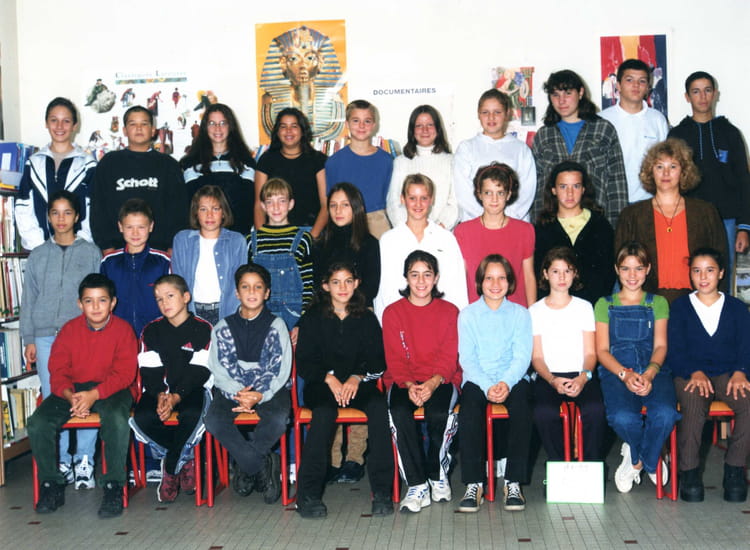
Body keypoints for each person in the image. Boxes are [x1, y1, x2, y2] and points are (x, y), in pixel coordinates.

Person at [27, 273, 137, 518]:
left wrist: (94, 395)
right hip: (74, 390)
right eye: (89, 301)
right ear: (80, 304)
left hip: (112, 389)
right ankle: (51, 484)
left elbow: (124, 374)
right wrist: (71, 397)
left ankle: (113, 486)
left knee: (117, 420)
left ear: (113, 303)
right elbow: (57, 371)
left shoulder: (123, 330)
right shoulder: (68, 330)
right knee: (38, 422)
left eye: (102, 300)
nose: (96, 307)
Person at [295, 261, 394, 518]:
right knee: (324, 413)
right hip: (322, 385)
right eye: (336, 282)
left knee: (378, 406)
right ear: (325, 286)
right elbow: (304, 362)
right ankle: (308, 495)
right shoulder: (312, 318)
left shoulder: (367, 318)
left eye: (348, 281)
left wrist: (357, 377)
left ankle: (382, 491)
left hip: (357, 384)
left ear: (356, 283)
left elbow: (378, 360)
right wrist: (329, 379)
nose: (343, 287)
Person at [20, 190, 101, 489]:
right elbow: (29, 299)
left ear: (77, 216)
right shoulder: (39, 254)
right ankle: (63, 459)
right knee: (57, 397)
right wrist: (29, 338)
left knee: (86, 393)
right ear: (48, 217)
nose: (61, 219)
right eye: (55, 213)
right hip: (45, 338)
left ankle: (84, 460)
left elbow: (99, 296)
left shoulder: (91, 252)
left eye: (67, 212)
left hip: (82, 336)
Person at [204, 263, 292, 505]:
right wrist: (239, 393)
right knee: (213, 420)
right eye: (245, 287)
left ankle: (245, 466)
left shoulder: (277, 325)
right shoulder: (222, 327)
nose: (252, 292)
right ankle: (259, 464)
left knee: (278, 420)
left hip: (270, 390)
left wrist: (259, 395)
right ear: (237, 292)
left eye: (258, 287)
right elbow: (218, 369)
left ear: (267, 293)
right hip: (232, 391)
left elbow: (280, 368)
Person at [668, 247, 750, 503]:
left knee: (748, 404)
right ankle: (689, 472)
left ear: (721, 273)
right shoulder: (680, 307)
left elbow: (745, 345)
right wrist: (693, 371)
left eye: (710, 270)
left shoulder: (737, 308)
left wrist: (741, 372)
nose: (703, 277)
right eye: (697, 271)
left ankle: (734, 469)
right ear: (690, 274)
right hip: (690, 373)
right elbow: (675, 349)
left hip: (728, 373)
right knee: (693, 407)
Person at [595, 242, 678, 493]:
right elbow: (602, 351)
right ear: (616, 270)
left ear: (648, 269)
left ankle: (640, 459)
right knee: (622, 417)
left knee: (665, 413)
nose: (632, 275)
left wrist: (650, 373)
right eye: (625, 268)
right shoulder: (604, 304)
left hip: (654, 369)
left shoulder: (659, 303)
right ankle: (648, 454)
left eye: (639, 268)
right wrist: (625, 375)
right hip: (616, 371)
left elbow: (661, 345)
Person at [383, 250, 460, 513]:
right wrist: (408, 385)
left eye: (427, 274)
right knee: (399, 411)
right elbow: (394, 358)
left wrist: (432, 384)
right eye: (414, 275)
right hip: (404, 381)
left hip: (441, 378)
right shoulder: (393, 312)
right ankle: (416, 485)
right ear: (406, 277)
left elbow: (449, 356)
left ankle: (437, 474)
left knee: (439, 412)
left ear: (436, 278)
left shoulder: (450, 311)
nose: (421, 281)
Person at [457, 255, 533, 513]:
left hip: (512, 378)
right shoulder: (467, 315)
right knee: (469, 410)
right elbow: (467, 359)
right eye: (489, 278)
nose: (495, 284)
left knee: (523, 407)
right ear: (480, 282)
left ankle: (513, 482)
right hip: (478, 379)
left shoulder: (520, 314)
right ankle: (474, 483)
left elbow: (522, 357)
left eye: (502, 278)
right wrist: (487, 385)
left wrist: (505, 383)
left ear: (510, 282)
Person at [130, 274, 212, 503]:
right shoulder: (151, 330)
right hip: (159, 392)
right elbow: (149, 368)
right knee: (142, 417)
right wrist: (160, 395)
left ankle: (171, 465)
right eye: (159, 299)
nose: (164, 303)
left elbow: (200, 370)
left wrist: (176, 396)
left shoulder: (203, 329)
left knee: (193, 413)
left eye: (170, 296)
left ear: (186, 297)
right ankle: (185, 458)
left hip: (191, 390)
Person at [615, 138, 728, 303]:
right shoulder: (632, 215)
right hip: (649, 301)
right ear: (650, 171)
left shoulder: (705, 212)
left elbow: (720, 260)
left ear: (684, 172)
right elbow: (621, 264)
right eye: (659, 167)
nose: (666, 173)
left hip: (696, 300)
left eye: (673, 166)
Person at [668, 71, 750, 274]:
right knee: (689, 273)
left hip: (726, 219)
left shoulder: (730, 132)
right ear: (687, 97)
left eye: (707, 90)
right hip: (689, 218)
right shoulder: (677, 134)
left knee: (722, 273)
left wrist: (744, 227)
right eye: (696, 91)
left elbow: (744, 180)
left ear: (715, 94)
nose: (702, 97)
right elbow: (669, 182)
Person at [530, 247, 606, 463]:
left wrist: (583, 377)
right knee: (543, 412)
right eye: (555, 271)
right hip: (549, 376)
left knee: (595, 410)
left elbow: (590, 353)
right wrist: (552, 380)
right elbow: (537, 357)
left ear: (575, 274)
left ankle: (590, 466)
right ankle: (560, 465)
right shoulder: (535, 311)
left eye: (567, 271)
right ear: (545, 274)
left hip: (581, 374)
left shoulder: (584, 307)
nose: (562, 277)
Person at [531, 70, 628, 227]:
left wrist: (616, 227)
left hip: (595, 222)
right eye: (555, 95)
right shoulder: (544, 135)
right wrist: (538, 226)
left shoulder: (603, 130)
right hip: (553, 224)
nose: (561, 101)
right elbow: (537, 188)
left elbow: (617, 183)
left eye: (568, 93)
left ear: (581, 92)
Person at [91, 105, 186, 253]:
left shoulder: (168, 165)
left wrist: (172, 248)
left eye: (144, 124)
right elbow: (98, 208)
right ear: (124, 130)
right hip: (117, 250)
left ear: (153, 130)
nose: (139, 128)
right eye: (133, 124)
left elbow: (179, 210)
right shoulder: (109, 163)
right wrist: (106, 247)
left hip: (159, 250)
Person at [374, 174, 467, 321]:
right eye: (412, 198)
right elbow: (383, 290)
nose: (418, 204)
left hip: (439, 320)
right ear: (402, 199)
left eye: (424, 198)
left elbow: (457, 287)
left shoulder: (446, 239)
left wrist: (456, 322)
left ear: (432, 200)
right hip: (400, 321)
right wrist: (385, 323)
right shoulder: (388, 241)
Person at [16, 97, 96, 250]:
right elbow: (23, 207)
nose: (59, 126)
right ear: (46, 123)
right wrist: (39, 246)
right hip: (41, 249)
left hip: (78, 250)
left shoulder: (88, 164)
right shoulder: (34, 163)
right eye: (54, 120)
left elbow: (94, 208)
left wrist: (80, 243)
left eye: (66, 121)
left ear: (75, 125)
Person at [454, 163, 536, 307]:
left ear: (508, 195)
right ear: (479, 194)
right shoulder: (463, 231)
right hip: (477, 310)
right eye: (488, 193)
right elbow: (460, 279)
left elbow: (529, 277)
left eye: (500, 193)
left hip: (515, 310)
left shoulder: (524, 230)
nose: (494, 199)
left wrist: (533, 313)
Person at [534, 160, 615, 304]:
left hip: (592, 307)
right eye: (563, 186)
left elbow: (608, 273)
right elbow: (538, 274)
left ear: (583, 189)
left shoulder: (600, 225)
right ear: (553, 190)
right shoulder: (543, 229)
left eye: (576, 186)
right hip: (554, 308)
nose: (570, 193)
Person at [453, 89, 536, 223]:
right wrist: (487, 219)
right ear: (478, 114)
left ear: (507, 114)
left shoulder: (521, 149)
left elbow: (526, 190)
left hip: (513, 222)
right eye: (485, 112)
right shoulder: (466, 148)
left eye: (497, 112)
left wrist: (506, 219)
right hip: (477, 222)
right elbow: (463, 191)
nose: (491, 117)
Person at [171, 186, 246, 326]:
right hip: (192, 311)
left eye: (215, 209)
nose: (209, 215)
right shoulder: (182, 240)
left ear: (223, 213)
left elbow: (241, 283)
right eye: (203, 209)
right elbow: (177, 282)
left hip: (227, 312)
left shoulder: (237, 241)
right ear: (196, 213)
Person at [248, 178, 314, 334]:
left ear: (291, 204)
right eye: (270, 202)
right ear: (263, 206)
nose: (276, 207)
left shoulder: (303, 239)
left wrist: (302, 323)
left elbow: (308, 285)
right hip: (260, 315)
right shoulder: (252, 241)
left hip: (293, 316)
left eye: (282, 201)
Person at [600, 59, 670, 204]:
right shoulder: (602, 119)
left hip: (648, 199)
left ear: (648, 87)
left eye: (642, 81)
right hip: (611, 199)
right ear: (618, 85)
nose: (636, 85)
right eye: (629, 80)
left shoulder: (658, 119)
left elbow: (665, 161)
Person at [100, 198, 171, 339]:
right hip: (118, 335)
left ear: (151, 226)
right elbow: (103, 300)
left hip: (155, 335)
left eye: (141, 227)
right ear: (120, 227)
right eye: (129, 227)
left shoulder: (163, 261)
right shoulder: (109, 262)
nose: (135, 233)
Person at [181, 103, 256, 235]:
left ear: (230, 126)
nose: (217, 128)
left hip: (237, 236)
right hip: (202, 236)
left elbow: (248, 204)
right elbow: (190, 205)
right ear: (205, 127)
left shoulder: (246, 162)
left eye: (223, 123)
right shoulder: (190, 163)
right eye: (212, 123)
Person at [254, 108, 328, 236]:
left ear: (302, 131)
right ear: (277, 131)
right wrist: (262, 237)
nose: (288, 131)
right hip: (274, 232)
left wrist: (311, 238)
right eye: (283, 126)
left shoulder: (318, 160)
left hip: (310, 231)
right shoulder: (266, 160)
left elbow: (325, 205)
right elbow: (259, 205)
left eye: (294, 126)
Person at [325, 100, 393, 238]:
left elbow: (390, 199)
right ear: (347, 124)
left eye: (367, 121)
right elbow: (330, 200)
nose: (361, 126)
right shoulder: (334, 162)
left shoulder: (386, 160)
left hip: (377, 222)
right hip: (346, 222)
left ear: (374, 125)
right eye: (356, 121)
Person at [386, 105, 459, 229]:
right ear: (412, 130)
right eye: (419, 125)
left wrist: (438, 229)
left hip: (441, 233)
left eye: (430, 125)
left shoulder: (451, 161)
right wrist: (408, 230)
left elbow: (455, 202)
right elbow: (394, 202)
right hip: (407, 233)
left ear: (438, 128)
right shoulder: (400, 162)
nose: (425, 130)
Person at [313, 182, 380, 307]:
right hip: (326, 309)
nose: (338, 211)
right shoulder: (321, 244)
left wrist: (346, 308)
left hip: (358, 309)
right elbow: (317, 286)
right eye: (333, 205)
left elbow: (371, 289)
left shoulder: (370, 244)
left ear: (356, 208)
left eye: (345, 205)